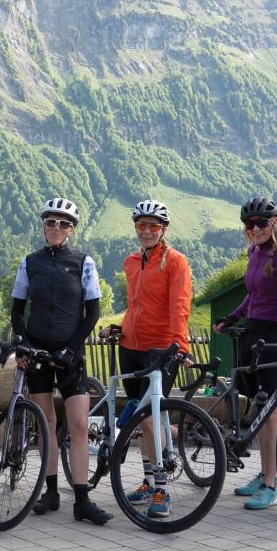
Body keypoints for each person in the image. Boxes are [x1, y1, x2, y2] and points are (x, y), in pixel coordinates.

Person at [11, 197, 111, 525]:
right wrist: (25, 346)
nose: (57, 228)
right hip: (39, 352)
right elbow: (16, 310)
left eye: (64, 223)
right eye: (51, 222)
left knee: (80, 425)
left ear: (72, 230)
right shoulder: (29, 263)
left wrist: (71, 348)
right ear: (43, 225)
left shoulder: (84, 262)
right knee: (47, 423)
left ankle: (82, 499)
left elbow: (92, 311)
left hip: (71, 355)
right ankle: (50, 491)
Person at [213, 196, 277, 511]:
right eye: (249, 224)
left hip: (275, 333)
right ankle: (264, 472)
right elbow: (252, 296)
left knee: (271, 412)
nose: (254, 228)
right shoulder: (255, 252)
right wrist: (231, 318)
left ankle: (271, 484)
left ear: (274, 222)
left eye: (260, 222)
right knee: (259, 409)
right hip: (253, 333)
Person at [115, 200, 193, 519]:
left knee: (153, 419)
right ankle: (149, 481)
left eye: (153, 226)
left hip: (161, 350)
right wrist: (118, 328)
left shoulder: (175, 262)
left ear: (163, 230)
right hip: (130, 347)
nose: (146, 231)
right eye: (141, 225)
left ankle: (162, 489)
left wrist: (180, 344)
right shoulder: (131, 261)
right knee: (141, 420)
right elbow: (135, 306)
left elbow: (179, 305)